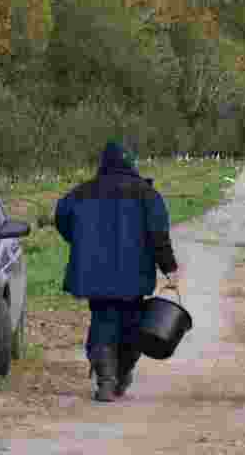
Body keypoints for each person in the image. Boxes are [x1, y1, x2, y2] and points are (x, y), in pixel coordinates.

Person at [55, 140, 179, 402]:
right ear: (131, 163)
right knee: (132, 326)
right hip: (134, 275)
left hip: (94, 274)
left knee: (102, 322)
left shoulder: (82, 192)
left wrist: (82, 241)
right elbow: (159, 235)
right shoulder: (146, 193)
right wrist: (169, 268)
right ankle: (121, 375)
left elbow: (62, 218)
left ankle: (106, 381)